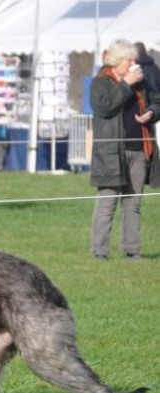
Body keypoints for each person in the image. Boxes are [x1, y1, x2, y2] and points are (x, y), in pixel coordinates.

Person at [90, 39, 160, 260]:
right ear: (117, 60)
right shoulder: (100, 82)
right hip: (110, 152)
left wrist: (151, 113)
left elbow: (156, 102)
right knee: (107, 203)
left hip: (139, 149)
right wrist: (125, 84)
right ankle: (100, 252)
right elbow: (104, 107)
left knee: (133, 203)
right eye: (129, 60)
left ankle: (132, 251)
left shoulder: (140, 81)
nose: (133, 64)